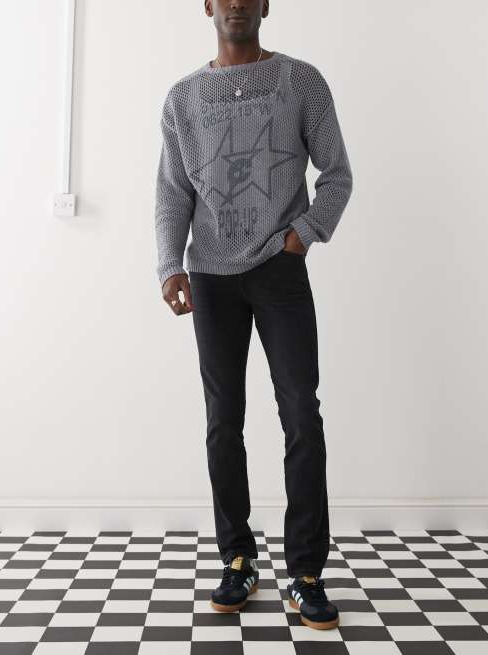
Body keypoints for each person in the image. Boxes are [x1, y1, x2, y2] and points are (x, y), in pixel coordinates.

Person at [154, 0, 353, 631]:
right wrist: (170, 265)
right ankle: (237, 559)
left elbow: (337, 175)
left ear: (265, 5)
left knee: (301, 413)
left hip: (279, 270)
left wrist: (303, 235)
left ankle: (306, 572)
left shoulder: (300, 81)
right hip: (211, 278)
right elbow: (172, 191)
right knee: (223, 420)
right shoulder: (183, 99)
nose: (236, 2)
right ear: (208, 7)